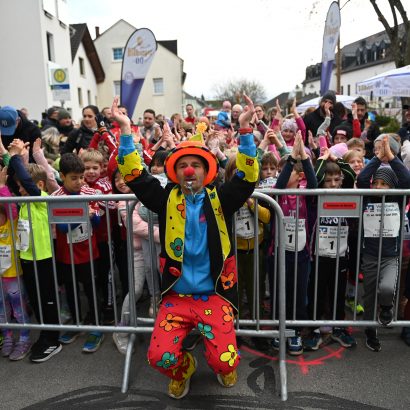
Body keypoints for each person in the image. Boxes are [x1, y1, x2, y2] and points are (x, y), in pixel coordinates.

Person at [112, 93, 259, 399]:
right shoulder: (166, 199)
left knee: (225, 361)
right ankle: (184, 368)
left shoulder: (220, 199)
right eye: (183, 165)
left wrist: (245, 130)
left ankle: (223, 365)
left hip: (214, 294)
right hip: (176, 296)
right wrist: (125, 131)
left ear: (206, 171)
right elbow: (135, 176)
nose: (189, 170)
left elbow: (247, 179)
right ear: (175, 172)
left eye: (195, 165)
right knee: (159, 357)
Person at [7, 140, 62, 362]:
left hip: (43, 258)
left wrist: (15, 156)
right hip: (27, 257)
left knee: (47, 300)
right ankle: (45, 335)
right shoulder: (25, 200)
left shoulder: (41, 199)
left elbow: (27, 182)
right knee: (37, 301)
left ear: (39, 185)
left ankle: (53, 340)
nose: (19, 190)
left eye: (22, 186)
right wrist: (11, 154)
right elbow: (16, 179)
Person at [357, 135, 410, 352]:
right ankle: (370, 331)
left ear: (392, 187)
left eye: (384, 184)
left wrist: (392, 157)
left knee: (387, 288)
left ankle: (386, 307)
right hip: (370, 255)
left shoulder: (398, 199)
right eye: (376, 183)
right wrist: (378, 158)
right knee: (369, 295)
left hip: (390, 256)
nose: (379, 187)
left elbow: (406, 180)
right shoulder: (368, 197)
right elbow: (362, 179)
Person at [304, 148, 357, 351]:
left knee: (338, 292)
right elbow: (315, 178)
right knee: (317, 292)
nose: (333, 184)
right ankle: (315, 329)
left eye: (336, 180)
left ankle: (338, 328)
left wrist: (337, 160)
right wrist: (322, 159)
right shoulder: (316, 196)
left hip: (341, 255)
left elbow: (351, 176)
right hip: (318, 255)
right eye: (329, 180)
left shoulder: (345, 195)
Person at [52, 153, 104, 353]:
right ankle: (76, 324)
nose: (79, 182)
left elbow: (97, 222)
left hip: (89, 252)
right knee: (72, 291)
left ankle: (97, 327)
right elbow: (63, 228)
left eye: (81, 177)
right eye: (74, 178)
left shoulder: (90, 192)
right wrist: (83, 214)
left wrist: (92, 216)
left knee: (91, 290)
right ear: (62, 176)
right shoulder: (57, 197)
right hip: (66, 255)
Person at [271, 131, 318, 355]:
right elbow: (280, 185)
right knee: (279, 293)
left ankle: (295, 332)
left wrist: (304, 158)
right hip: (278, 254)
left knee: (298, 295)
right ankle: (279, 329)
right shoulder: (278, 194)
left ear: (300, 176)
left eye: (287, 171)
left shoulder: (305, 196)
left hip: (301, 254)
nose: (282, 174)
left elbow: (314, 184)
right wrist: (290, 159)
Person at [0, 166, 31, 361]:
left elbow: (11, 208)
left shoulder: (10, 224)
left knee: (18, 308)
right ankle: (8, 337)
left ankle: (24, 338)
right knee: (2, 310)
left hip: (12, 275)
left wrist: (2, 186)